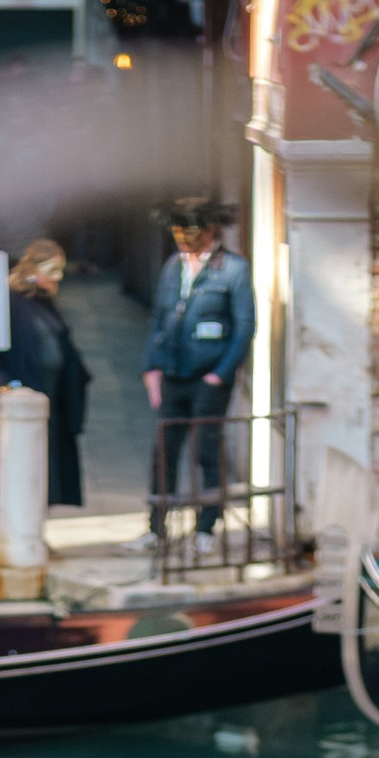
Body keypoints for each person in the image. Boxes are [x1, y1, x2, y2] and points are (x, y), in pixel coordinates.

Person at [143, 207, 255, 540]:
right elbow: (160, 318)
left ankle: (206, 527)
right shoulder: (173, 266)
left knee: (207, 450)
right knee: (164, 451)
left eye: (190, 233)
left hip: (209, 376)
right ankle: (156, 528)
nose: (184, 241)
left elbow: (244, 327)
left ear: (209, 231)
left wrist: (220, 374)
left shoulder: (233, 269)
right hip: (174, 373)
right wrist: (152, 366)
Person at [0, 238, 93, 508]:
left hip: (53, 396)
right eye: (51, 270)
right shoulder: (11, 300)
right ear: (33, 269)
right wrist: (7, 386)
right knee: (25, 466)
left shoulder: (44, 300)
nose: (58, 277)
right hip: (25, 396)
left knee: (49, 466)